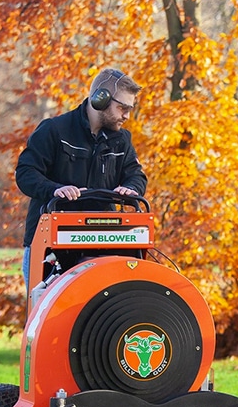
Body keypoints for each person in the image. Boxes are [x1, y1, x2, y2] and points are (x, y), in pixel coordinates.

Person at [15, 68, 148, 286]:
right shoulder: (54, 130)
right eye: (122, 108)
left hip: (103, 243)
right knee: (48, 311)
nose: (126, 116)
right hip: (51, 244)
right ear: (100, 99)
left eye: (129, 109)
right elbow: (25, 173)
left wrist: (131, 189)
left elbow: (136, 175)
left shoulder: (122, 140)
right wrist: (54, 190)